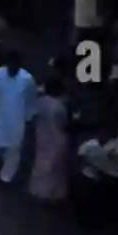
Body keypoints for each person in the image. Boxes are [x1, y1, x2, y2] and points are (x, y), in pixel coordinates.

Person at [0, 49, 37, 186]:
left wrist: (29, 118)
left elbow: (30, 100)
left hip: (17, 118)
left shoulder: (27, 79)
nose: (13, 67)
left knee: (14, 149)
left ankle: (5, 177)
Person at [28, 73, 71, 203]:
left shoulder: (40, 102)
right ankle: (53, 194)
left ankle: (38, 191)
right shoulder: (59, 106)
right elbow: (63, 124)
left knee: (41, 164)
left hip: (42, 136)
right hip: (57, 139)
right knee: (55, 168)